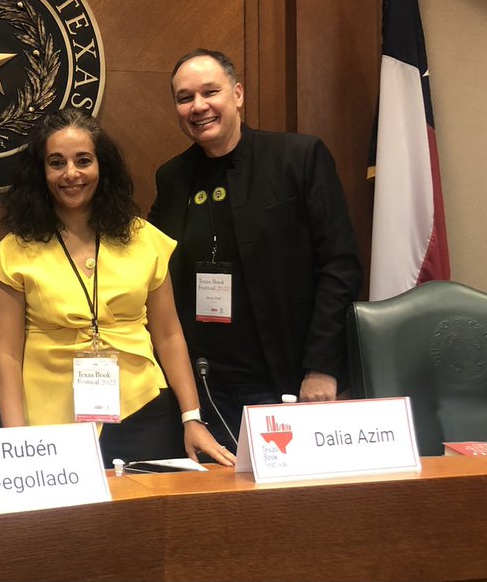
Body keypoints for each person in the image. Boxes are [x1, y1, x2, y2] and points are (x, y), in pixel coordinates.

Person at [0, 108, 234, 467]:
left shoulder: (144, 239)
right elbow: (6, 356)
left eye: (83, 160)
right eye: (56, 162)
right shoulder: (13, 252)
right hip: (50, 420)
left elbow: (168, 335)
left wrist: (191, 417)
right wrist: (17, 440)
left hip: (142, 406)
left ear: (103, 167)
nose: (71, 174)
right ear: (41, 172)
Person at [149, 48, 363, 450]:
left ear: (238, 94)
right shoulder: (173, 178)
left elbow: (340, 266)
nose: (198, 107)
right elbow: (149, 270)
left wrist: (322, 366)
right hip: (206, 385)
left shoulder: (298, 159)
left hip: (291, 379)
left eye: (210, 92)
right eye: (184, 98)